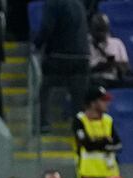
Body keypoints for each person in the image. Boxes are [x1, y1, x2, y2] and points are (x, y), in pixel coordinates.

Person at [35, 0, 90, 130]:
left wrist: (36, 45)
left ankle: (44, 122)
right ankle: (79, 127)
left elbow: (47, 28)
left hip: (59, 55)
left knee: (45, 87)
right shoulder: (78, 3)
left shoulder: (52, 3)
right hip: (83, 56)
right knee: (79, 96)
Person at [73, 86, 121, 178]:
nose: (107, 103)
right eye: (103, 100)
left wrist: (98, 143)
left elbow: (118, 145)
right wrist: (105, 141)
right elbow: (87, 145)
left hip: (110, 176)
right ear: (93, 103)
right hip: (89, 176)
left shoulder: (108, 120)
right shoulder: (80, 120)